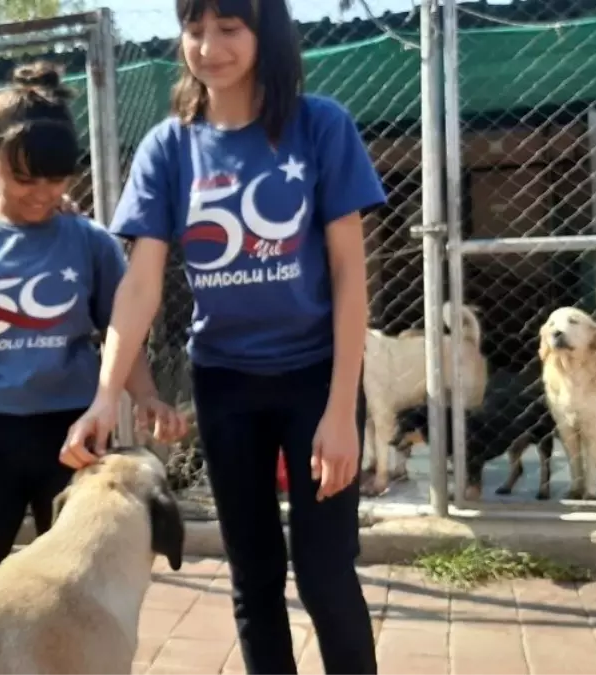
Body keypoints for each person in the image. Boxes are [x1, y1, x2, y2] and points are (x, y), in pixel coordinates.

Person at [60, 0, 386, 673]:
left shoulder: (319, 125)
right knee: (254, 576)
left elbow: (351, 273)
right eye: (194, 28)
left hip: (314, 376)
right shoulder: (168, 146)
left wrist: (339, 410)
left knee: (326, 575)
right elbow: (139, 284)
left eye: (228, 27)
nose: (208, 45)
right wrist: (103, 397)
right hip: (225, 383)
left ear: (262, 32)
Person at [0, 61, 187, 594]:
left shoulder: (90, 242)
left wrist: (148, 396)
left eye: (57, 179)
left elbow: (121, 333)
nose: (41, 193)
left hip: (75, 438)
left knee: (77, 593)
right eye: (23, 178)